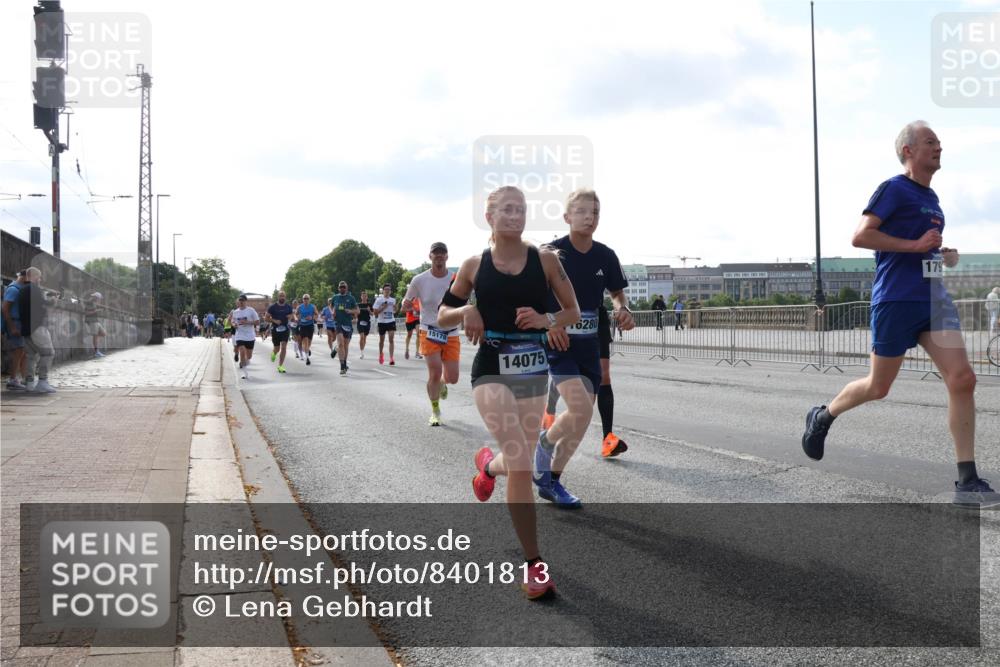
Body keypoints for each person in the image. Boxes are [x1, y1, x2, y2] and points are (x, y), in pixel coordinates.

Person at [802, 120, 996, 509]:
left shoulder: (933, 199)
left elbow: (920, 249)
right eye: (930, 142)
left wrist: (941, 255)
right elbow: (861, 236)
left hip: (932, 300)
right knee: (879, 386)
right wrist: (915, 244)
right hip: (895, 300)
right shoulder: (893, 188)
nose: (939, 147)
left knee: (963, 379)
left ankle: (966, 479)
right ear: (908, 150)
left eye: (940, 142)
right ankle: (823, 416)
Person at [438, 185, 580, 600]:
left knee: (516, 452)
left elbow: (573, 311)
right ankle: (535, 565)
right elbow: (443, 316)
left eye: (521, 209)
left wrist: (545, 317)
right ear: (490, 218)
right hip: (491, 366)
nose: (515, 216)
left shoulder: (547, 260)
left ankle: (487, 467)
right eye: (506, 209)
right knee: (520, 460)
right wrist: (468, 309)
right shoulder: (474, 266)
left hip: (533, 367)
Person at [533, 189, 634, 510]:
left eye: (595, 212)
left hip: (590, 343)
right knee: (578, 410)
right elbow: (532, 296)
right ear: (567, 217)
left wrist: (623, 308)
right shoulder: (551, 253)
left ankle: (552, 481)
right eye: (582, 212)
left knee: (581, 418)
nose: (590, 217)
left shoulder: (605, 255)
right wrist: (551, 324)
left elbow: (617, 292)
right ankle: (544, 443)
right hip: (559, 343)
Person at [402, 242, 460, 426]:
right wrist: (406, 304)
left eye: (443, 253)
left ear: (447, 257)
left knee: (453, 378)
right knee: (434, 371)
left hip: (451, 332)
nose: (439, 256)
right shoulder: (419, 280)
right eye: (436, 253)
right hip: (429, 330)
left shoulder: (455, 278)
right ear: (430, 257)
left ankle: (443, 382)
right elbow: (407, 298)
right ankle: (435, 411)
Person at [17, 267, 57, 393]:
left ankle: (29, 383)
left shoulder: (22, 290)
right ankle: (42, 382)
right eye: (39, 277)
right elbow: (44, 304)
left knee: (30, 356)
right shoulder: (35, 288)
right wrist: (53, 300)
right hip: (37, 327)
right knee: (48, 353)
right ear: (34, 276)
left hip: (26, 328)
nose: (40, 280)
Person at [2, 271, 29, 390]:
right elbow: (5, 309)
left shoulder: (19, 288)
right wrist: (12, 327)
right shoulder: (13, 289)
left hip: (19, 323)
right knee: (18, 351)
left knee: (23, 352)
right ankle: (13, 379)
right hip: (14, 322)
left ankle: (24, 379)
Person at [331, 281, 359, 375]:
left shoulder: (351, 298)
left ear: (346, 288)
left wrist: (350, 311)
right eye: (340, 287)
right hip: (338, 323)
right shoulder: (335, 297)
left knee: (345, 346)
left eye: (344, 287)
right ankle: (342, 366)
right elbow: (331, 307)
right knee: (341, 344)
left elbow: (357, 311)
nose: (342, 288)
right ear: (338, 288)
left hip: (348, 324)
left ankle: (337, 351)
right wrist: (333, 312)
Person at [231, 294, 260, 380]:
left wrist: (247, 322)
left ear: (246, 301)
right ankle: (245, 373)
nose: (241, 302)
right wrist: (234, 325)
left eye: (243, 300)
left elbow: (257, 322)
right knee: (242, 351)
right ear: (238, 302)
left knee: (249, 356)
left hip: (250, 336)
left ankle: (245, 362)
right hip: (239, 335)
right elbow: (232, 321)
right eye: (240, 300)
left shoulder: (251, 310)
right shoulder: (235, 312)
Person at [266, 291, 294, 373]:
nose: (282, 297)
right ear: (278, 297)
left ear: (285, 297)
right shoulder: (272, 307)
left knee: (284, 347)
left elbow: (292, 315)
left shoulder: (288, 307)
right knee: (277, 349)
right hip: (275, 330)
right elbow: (266, 318)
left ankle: (280, 366)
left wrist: (290, 316)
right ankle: (274, 353)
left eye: (283, 296)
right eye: (280, 296)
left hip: (285, 329)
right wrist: (274, 320)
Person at [372, 283, 397, 365]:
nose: (387, 291)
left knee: (391, 338)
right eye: (385, 289)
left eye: (388, 290)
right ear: (383, 291)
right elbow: (375, 313)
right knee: (381, 340)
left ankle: (391, 358)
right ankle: (381, 354)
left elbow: (395, 311)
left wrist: (395, 308)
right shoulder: (379, 300)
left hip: (391, 321)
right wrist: (383, 307)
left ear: (390, 291)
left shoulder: (393, 300)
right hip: (382, 322)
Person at [83, 292, 107, 357]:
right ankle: (96, 352)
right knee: (95, 336)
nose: (100, 300)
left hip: (95, 321)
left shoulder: (93, 303)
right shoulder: (89, 303)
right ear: (96, 298)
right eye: (99, 299)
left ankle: (96, 348)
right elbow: (86, 313)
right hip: (91, 321)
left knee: (103, 333)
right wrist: (96, 311)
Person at [296, 294, 318, 365]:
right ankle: (307, 358)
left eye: (307, 298)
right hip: (303, 326)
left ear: (309, 299)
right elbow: (296, 315)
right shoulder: (299, 307)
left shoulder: (313, 307)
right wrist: (298, 318)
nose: (306, 300)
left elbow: (317, 314)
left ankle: (307, 350)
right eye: (304, 299)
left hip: (310, 326)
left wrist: (312, 317)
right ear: (302, 300)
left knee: (309, 342)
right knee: (305, 341)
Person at [403, 295, 422, 360]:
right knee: (409, 335)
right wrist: (411, 310)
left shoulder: (419, 300)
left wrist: (419, 312)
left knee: (418, 334)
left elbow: (422, 309)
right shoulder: (408, 299)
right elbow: (403, 310)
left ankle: (417, 352)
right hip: (409, 320)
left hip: (417, 319)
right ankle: (407, 349)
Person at [356, 290, 372, 359]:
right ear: (361, 297)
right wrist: (357, 314)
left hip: (367, 322)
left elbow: (373, 314)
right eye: (363, 296)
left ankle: (362, 350)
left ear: (367, 297)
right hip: (360, 322)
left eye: (365, 296)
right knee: (361, 336)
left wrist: (369, 310)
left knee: (364, 338)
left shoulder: (369, 305)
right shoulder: (358, 305)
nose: (364, 297)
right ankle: (361, 353)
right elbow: (356, 313)